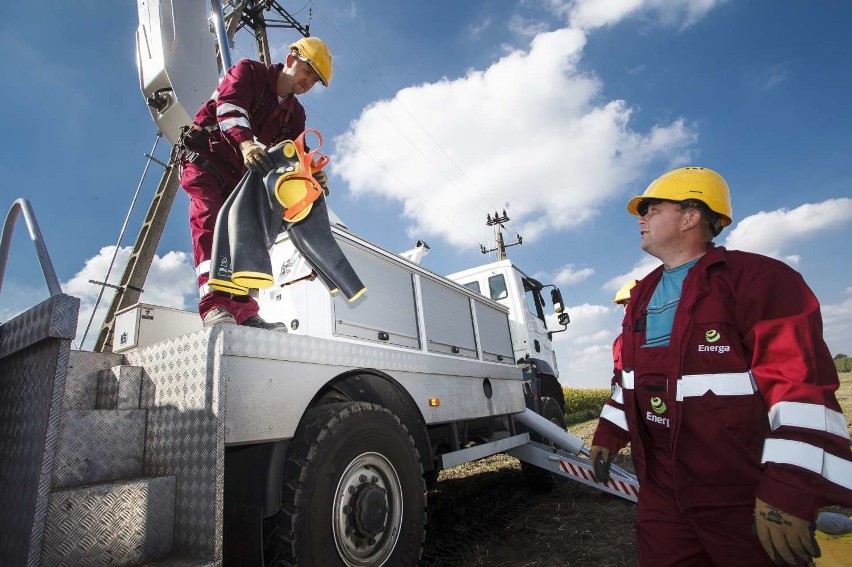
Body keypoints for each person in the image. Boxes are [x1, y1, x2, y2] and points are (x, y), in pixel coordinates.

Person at [589, 166, 852, 566]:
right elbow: (629, 381)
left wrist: (789, 491)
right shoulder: (641, 295)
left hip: (738, 491)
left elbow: (799, 391)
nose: (640, 219)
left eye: (652, 208)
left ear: (691, 216)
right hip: (662, 491)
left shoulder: (759, 280)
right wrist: (608, 434)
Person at [178, 37, 333, 329]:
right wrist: (247, 144)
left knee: (250, 237)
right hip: (205, 162)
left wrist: (311, 175)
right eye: (307, 71)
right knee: (211, 221)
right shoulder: (248, 72)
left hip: (240, 178)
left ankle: (245, 313)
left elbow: (292, 156)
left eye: (315, 80)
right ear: (290, 60)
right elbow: (230, 107)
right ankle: (215, 306)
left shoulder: (295, 114)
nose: (309, 81)